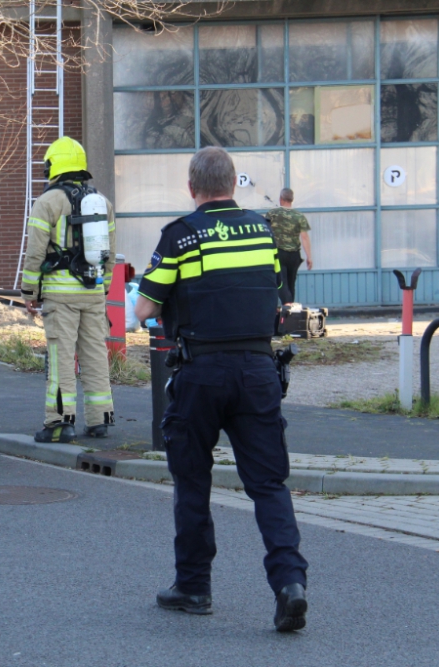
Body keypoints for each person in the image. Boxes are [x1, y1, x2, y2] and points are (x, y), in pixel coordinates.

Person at [134, 147, 309, 632]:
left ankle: (194, 587)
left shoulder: (181, 235)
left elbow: (145, 310)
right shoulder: (263, 230)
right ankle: (291, 584)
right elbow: (276, 289)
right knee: (269, 484)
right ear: (234, 184)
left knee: (193, 481)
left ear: (193, 188)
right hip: (257, 371)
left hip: (201, 372)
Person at [19, 136, 116, 443]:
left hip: (61, 296)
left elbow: (35, 253)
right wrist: (104, 289)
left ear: (53, 166)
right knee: (94, 355)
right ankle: (100, 419)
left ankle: (60, 422)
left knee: (61, 358)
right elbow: (110, 254)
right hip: (93, 292)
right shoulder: (103, 202)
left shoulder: (47, 202)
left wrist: (29, 292)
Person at [265, 188, 312, 305]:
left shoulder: (272, 214)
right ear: (292, 199)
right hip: (294, 255)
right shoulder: (299, 216)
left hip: (278, 253)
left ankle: (288, 307)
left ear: (281, 199)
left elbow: (266, 232)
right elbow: (304, 237)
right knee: (291, 284)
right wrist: (309, 257)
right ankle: (290, 311)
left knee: (281, 283)